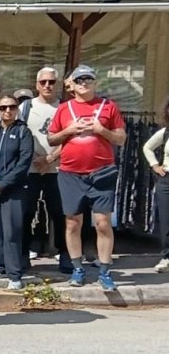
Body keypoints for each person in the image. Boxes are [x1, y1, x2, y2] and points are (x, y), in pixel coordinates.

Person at [47, 64, 125, 291]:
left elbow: (120, 138)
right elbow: (52, 139)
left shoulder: (108, 106)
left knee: (102, 223)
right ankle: (77, 269)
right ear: (72, 85)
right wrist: (69, 130)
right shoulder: (64, 109)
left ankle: (105, 271)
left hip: (102, 172)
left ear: (95, 82)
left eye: (88, 79)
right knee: (72, 223)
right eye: (79, 80)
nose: (84, 83)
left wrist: (102, 130)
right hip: (71, 173)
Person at [21, 67, 69, 273]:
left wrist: (49, 158)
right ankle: (23, 256)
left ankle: (66, 255)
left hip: (57, 169)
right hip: (30, 170)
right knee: (25, 214)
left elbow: (71, 139)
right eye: (43, 82)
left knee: (61, 214)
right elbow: (20, 136)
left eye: (51, 82)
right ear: (36, 84)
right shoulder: (26, 107)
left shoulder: (66, 108)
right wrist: (34, 160)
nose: (47, 85)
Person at [0, 95, 34, 290]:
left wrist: (3, 184)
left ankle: (15, 274)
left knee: (12, 230)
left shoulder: (23, 132)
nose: (7, 111)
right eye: (3, 107)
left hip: (14, 190)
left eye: (12, 107)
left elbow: (23, 163)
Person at [141, 97, 169, 273]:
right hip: (166, 179)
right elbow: (147, 147)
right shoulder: (166, 132)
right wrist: (155, 166)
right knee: (166, 221)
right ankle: (167, 256)